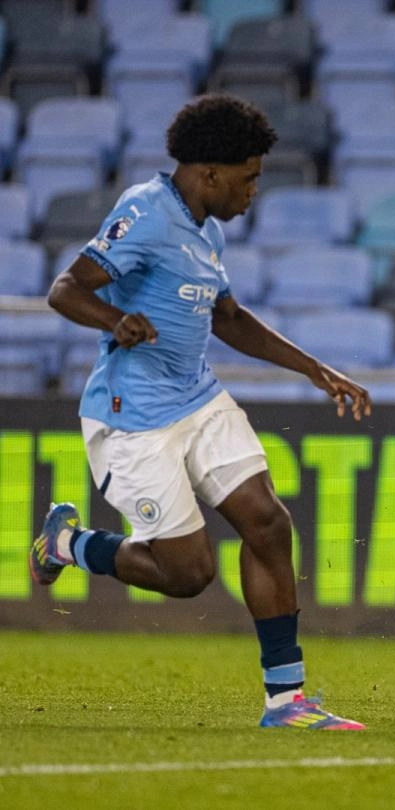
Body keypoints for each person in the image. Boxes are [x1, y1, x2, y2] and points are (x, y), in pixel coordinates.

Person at [31, 94, 374, 729]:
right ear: (210, 174)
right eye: (249, 178)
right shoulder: (146, 211)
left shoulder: (207, 230)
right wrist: (115, 319)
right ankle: (69, 543)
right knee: (187, 574)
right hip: (132, 414)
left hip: (198, 398)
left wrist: (314, 369)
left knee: (268, 523)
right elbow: (65, 289)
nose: (253, 192)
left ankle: (287, 701)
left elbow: (229, 318)